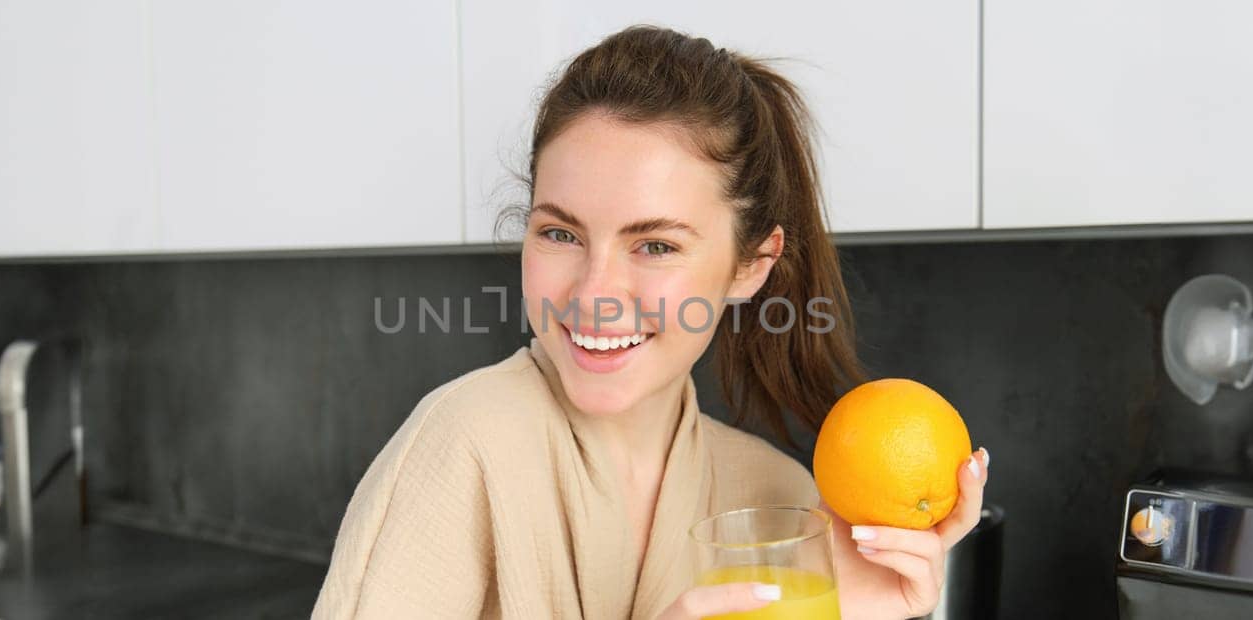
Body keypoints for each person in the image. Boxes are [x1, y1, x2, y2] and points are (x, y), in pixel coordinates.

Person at [313, 24, 989, 620]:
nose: (595, 294)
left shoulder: (781, 502)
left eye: (656, 245)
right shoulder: (463, 448)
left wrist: (862, 612)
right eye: (560, 235)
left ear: (751, 265)